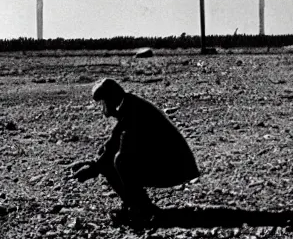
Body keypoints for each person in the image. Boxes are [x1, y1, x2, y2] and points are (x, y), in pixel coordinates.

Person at [72, 78, 200, 223]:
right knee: (111, 158)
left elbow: (121, 149)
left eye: (104, 102)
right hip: (173, 164)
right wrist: (93, 164)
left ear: (111, 100)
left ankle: (140, 209)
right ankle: (137, 206)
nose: (104, 109)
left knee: (121, 161)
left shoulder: (133, 111)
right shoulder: (130, 105)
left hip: (177, 168)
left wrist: (94, 168)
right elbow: (111, 144)